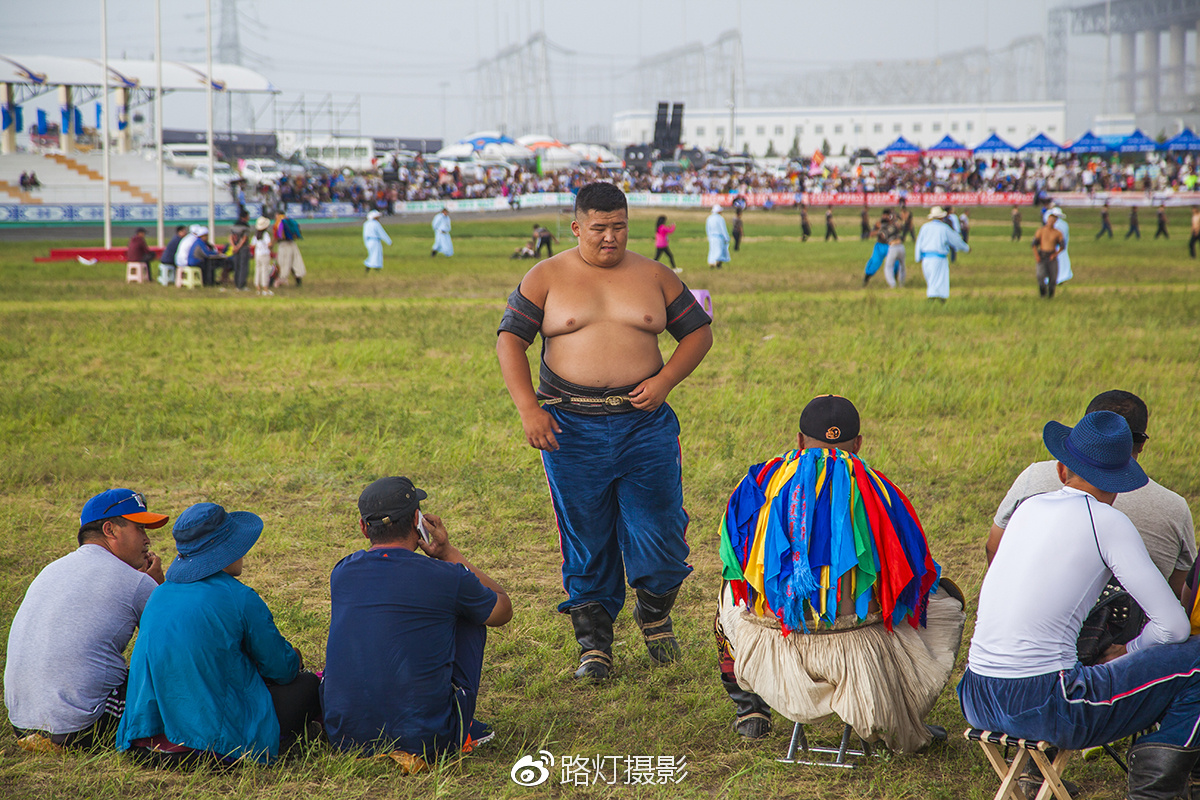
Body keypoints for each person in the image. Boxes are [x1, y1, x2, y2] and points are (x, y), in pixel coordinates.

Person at [495, 182, 713, 681]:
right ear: (576, 228)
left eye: (618, 227)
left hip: (645, 426)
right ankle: (594, 642)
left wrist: (664, 381)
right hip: (569, 426)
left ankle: (654, 611)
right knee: (586, 534)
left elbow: (698, 332)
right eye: (599, 228)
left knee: (660, 529)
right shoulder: (545, 276)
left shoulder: (655, 275)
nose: (610, 237)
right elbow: (511, 340)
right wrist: (529, 408)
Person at [959, 411, 1200, 800]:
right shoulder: (1109, 521)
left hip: (976, 695)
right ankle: (1158, 791)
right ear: (1122, 481)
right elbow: (1173, 626)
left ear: (1060, 470)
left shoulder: (1027, 509)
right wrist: (1129, 650)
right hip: (1048, 704)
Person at [714, 395, 965, 749]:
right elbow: (912, 578)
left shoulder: (756, 482)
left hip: (773, 648)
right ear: (858, 444)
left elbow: (734, 562)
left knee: (729, 590)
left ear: (799, 441)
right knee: (944, 600)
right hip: (857, 654)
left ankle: (750, 708)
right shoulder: (881, 492)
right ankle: (886, 714)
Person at [322, 477, 512, 763]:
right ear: (417, 520)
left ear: (363, 528)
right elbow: (502, 610)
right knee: (473, 612)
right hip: (427, 738)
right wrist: (448, 553)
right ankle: (460, 723)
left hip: (345, 735)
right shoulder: (449, 577)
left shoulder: (342, 572)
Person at [117, 502, 320, 765]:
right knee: (308, 686)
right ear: (225, 550)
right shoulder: (240, 597)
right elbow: (281, 670)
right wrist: (294, 657)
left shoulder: (160, 594)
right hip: (212, 745)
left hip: (145, 743)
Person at [985, 390, 1195, 596]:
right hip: (1130, 627)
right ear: (1140, 445)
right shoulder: (1175, 508)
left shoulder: (1033, 476)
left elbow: (994, 547)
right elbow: (1180, 592)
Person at [5, 489, 166, 750]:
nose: (147, 540)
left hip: (21, 723)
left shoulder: (51, 569)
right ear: (110, 530)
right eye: (140, 529)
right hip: (81, 726)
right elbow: (176, 641)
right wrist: (159, 588)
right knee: (176, 683)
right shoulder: (136, 582)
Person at [914, 206, 969, 301]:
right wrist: (966, 248)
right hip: (938, 259)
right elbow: (955, 240)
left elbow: (919, 243)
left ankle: (935, 300)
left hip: (926, 259)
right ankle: (935, 301)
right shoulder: (944, 228)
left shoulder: (924, 227)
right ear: (941, 217)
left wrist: (918, 257)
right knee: (938, 283)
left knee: (931, 281)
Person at [1031, 212, 1065, 299]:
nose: (1050, 222)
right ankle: (1043, 294)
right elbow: (1034, 244)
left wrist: (1055, 254)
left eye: (1052, 220)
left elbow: (1062, 246)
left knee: (1053, 278)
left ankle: (1050, 296)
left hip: (1052, 256)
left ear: (1055, 222)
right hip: (1042, 255)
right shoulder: (1041, 231)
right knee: (1040, 275)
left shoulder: (1058, 233)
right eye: (1049, 220)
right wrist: (1036, 256)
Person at [273, 210, 306, 287]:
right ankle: (298, 280)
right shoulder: (290, 221)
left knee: (281, 263)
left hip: (283, 245)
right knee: (294, 263)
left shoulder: (278, 223)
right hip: (292, 244)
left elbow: (277, 236)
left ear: (277, 215)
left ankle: (279, 280)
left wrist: (272, 245)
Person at [861, 208, 893, 287]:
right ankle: (866, 279)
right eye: (884, 215)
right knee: (875, 262)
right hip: (880, 245)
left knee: (894, 263)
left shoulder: (893, 224)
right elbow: (872, 233)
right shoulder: (878, 224)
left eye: (887, 215)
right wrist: (878, 231)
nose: (885, 217)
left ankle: (895, 281)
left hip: (890, 246)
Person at [227, 209, 251, 290]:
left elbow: (230, 237)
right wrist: (239, 247)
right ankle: (242, 285)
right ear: (245, 217)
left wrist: (234, 246)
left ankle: (236, 284)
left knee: (236, 266)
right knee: (243, 266)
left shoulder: (234, 226)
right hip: (243, 248)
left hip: (235, 248)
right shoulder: (246, 226)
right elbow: (244, 238)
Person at [882, 209, 907, 288]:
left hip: (893, 246)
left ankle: (892, 284)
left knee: (888, 266)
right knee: (902, 266)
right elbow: (903, 226)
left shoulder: (886, 228)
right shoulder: (897, 226)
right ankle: (901, 284)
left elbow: (884, 236)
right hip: (901, 246)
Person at [363, 210, 392, 274]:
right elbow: (382, 233)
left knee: (371, 255)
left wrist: (366, 243)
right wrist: (389, 241)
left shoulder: (366, 224)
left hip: (368, 241)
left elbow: (364, 234)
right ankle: (376, 270)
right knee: (376, 255)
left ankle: (368, 269)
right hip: (375, 241)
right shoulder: (376, 224)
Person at [1050, 207, 1073, 286]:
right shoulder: (1064, 224)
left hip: (1056, 247)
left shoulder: (1055, 225)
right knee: (1062, 264)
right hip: (1062, 248)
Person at [252, 217, 274, 296]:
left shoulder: (256, 235)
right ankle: (265, 288)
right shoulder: (265, 235)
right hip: (264, 254)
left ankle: (258, 288)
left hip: (257, 254)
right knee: (265, 271)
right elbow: (269, 244)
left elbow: (253, 244)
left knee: (258, 270)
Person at [706, 204, 730, 269]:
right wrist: (727, 237)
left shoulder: (709, 218)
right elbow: (723, 229)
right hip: (719, 237)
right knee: (719, 251)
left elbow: (708, 229)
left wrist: (709, 236)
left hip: (711, 237)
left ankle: (711, 262)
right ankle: (717, 263)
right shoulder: (720, 218)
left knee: (712, 250)